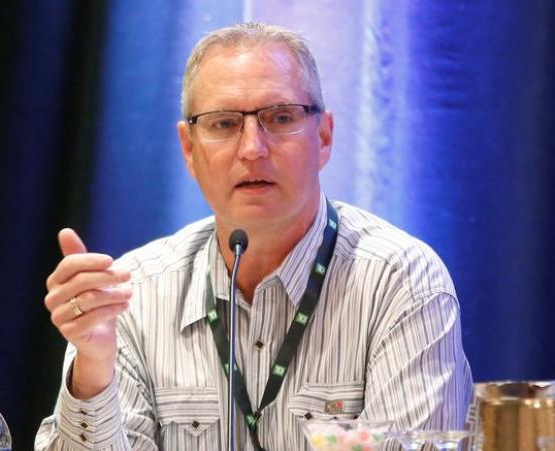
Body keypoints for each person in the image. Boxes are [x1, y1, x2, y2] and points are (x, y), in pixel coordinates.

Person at [35, 22, 472, 451]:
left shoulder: (401, 282)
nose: (251, 148)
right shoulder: (133, 292)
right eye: (224, 124)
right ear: (189, 149)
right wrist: (94, 367)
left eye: (280, 118)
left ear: (323, 137)